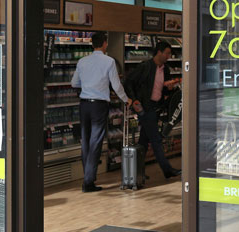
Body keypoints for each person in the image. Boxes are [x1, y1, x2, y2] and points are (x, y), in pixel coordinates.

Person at [71, 31, 132, 192]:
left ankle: (88, 177)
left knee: (85, 141)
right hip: (99, 106)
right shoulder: (109, 61)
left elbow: (74, 83)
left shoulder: (82, 61)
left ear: (92, 44)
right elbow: (116, 86)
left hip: (84, 105)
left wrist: (88, 85)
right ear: (104, 44)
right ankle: (88, 182)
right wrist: (126, 99)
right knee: (95, 142)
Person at [125, 40, 181, 179]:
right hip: (145, 108)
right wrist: (133, 99)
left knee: (143, 141)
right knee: (156, 140)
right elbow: (128, 82)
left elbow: (164, 91)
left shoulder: (166, 69)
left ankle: (137, 172)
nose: (169, 56)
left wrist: (168, 88)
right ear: (159, 52)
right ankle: (167, 170)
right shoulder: (145, 67)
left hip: (156, 108)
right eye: (167, 53)